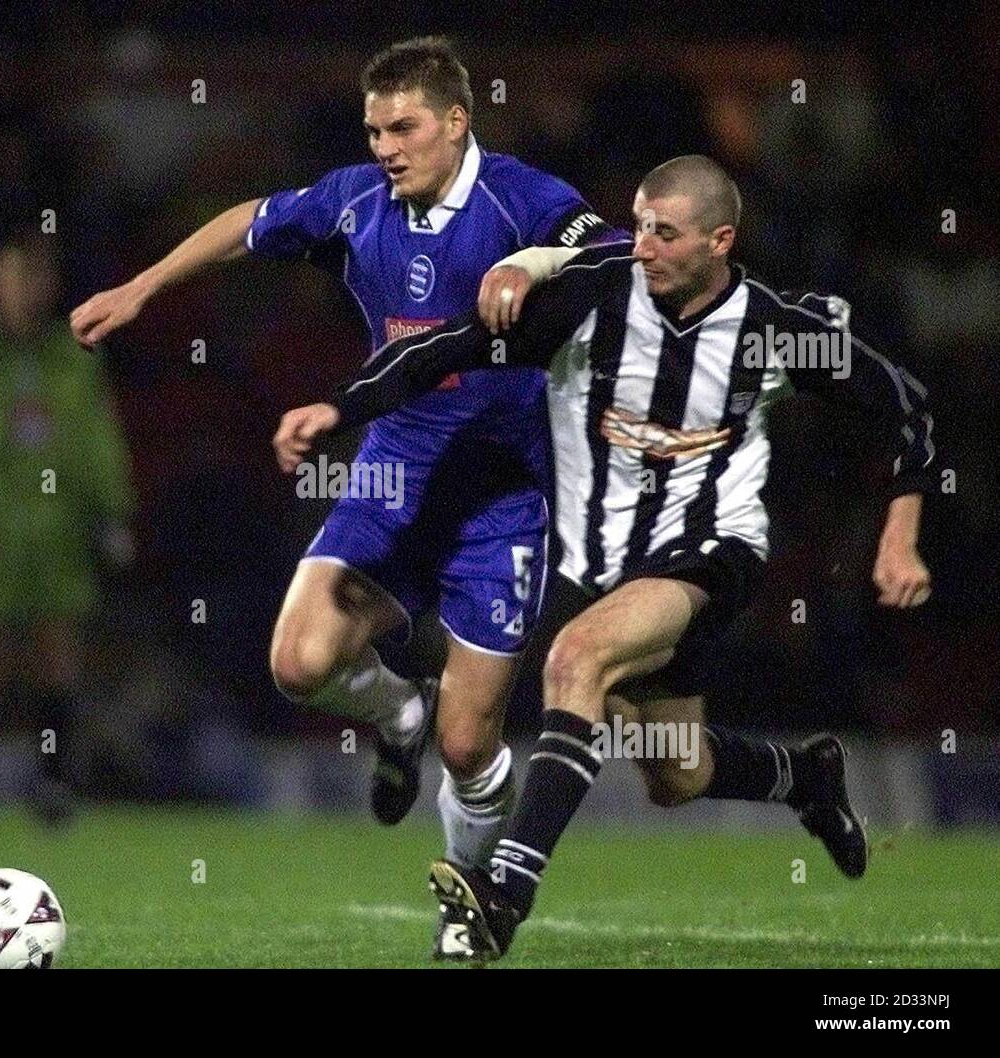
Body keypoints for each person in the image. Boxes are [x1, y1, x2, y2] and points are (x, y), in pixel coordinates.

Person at [273, 154, 933, 961]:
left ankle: (502, 899)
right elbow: (447, 349)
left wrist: (899, 532)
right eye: (639, 225)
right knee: (674, 773)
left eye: (664, 232)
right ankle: (805, 778)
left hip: (709, 554)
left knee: (575, 659)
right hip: (604, 566)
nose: (642, 245)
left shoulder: (775, 330)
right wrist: (339, 407)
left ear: (720, 240)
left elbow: (905, 405)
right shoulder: (594, 296)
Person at [69, 35, 622, 958]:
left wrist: (535, 265)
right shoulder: (357, 202)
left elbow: (609, 248)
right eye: (374, 130)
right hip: (396, 465)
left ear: (457, 122)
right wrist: (144, 285)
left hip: (505, 490)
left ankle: (467, 905)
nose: (386, 147)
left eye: (403, 127)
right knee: (297, 661)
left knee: (470, 742)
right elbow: (250, 220)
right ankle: (392, 712)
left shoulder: (521, 198)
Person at [0, 232, 136, 827]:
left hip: (55, 530)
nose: (22, 294)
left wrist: (112, 512)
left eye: (33, 281)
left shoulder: (75, 354)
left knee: (55, 658)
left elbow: (98, 437)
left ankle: (54, 782)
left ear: (49, 288)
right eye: (11, 280)